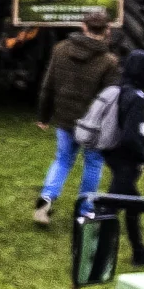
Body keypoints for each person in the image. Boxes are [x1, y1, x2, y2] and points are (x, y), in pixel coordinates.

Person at [83, 44, 144, 271]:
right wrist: (143, 155)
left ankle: (138, 251)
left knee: (132, 204)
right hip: (126, 160)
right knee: (110, 209)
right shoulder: (136, 96)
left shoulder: (121, 90)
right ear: (143, 71)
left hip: (113, 154)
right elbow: (131, 135)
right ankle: (93, 257)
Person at [33, 14, 115, 224]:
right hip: (93, 125)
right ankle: (85, 209)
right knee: (93, 164)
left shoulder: (60, 49)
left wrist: (43, 115)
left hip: (65, 118)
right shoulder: (109, 62)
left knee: (62, 160)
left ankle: (47, 197)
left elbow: (48, 84)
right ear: (107, 30)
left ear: (83, 26)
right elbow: (109, 99)